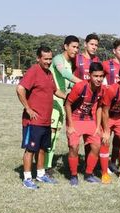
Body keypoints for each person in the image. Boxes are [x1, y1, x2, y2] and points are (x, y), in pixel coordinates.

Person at [16, 46, 66, 189]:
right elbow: (20, 89)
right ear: (38, 58)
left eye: (50, 59)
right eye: (45, 59)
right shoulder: (34, 71)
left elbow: (56, 91)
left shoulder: (49, 73)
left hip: (46, 120)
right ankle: (27, 178)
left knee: (43, 148)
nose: (48, 62)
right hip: (33, 121)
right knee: (30, 149)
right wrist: (28, 108)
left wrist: (69, 97)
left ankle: (40, 174)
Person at [46, 35, 82, 175]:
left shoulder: (71, 62)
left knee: (55, 136)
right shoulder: (57, 59)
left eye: (78, 47)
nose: (76, 50)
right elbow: (64, 74)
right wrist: (83, 83)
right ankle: (45, 166)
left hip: (63, 101)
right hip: (53, 100)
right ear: (65, 46)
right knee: (51, 134)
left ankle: (47, 165)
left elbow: (69, 82)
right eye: (73, 46)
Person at [65, 62, 105, 186]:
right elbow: (67, 104)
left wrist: (98, 127)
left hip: (89, 120)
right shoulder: (80, 87)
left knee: (96, 146)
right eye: (96, 76)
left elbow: (99, 107)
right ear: (89, 76)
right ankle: (73, 175)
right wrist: (70, 126)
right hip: (75, 120)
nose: (99, 79)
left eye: (101, 76)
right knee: (74, 147)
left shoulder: (102, 90)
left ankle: (88, 174)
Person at [102, 39, 120, 175]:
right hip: (108, 106)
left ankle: (113, 162)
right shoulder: (106, 65)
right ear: (114, 51)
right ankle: (101, 165)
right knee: (104, 138)